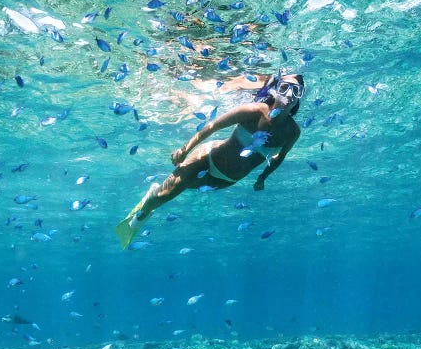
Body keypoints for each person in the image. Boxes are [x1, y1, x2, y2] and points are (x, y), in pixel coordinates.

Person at [115, 72, 305, 249]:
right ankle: (139, 219)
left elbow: (280, 156)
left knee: (169, 192)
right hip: (206, 159)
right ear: (275, 89)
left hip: (226, 181)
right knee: (167, 195)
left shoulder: (293, 132)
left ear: (299, 97)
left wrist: (263, 177)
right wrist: (185, 149)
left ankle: (153, 195)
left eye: (296, 91)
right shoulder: (253, 110)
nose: (289, 94)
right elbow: (212, 126)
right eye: (285, 87)